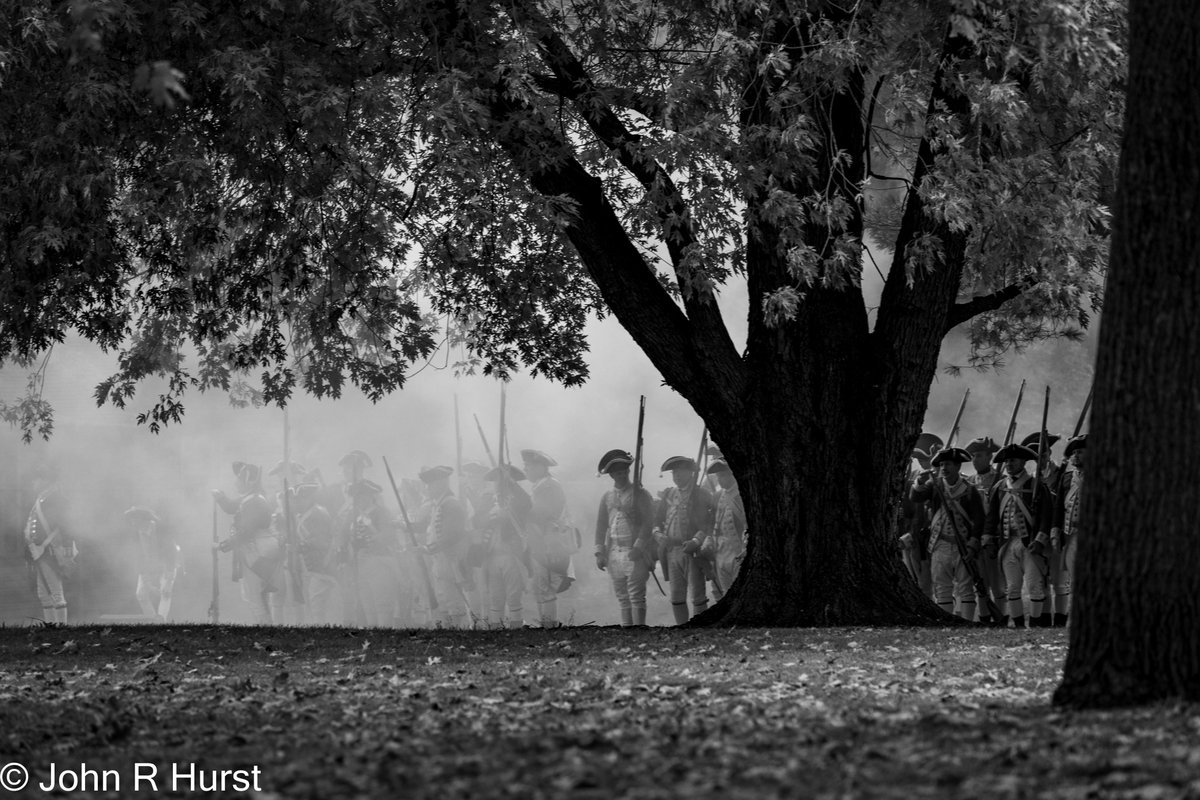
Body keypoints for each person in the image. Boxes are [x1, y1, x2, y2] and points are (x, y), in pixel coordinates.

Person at [910, 447, 985, 619]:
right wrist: (919, 483)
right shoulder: (935, 485)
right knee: (942, 588)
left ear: (958, 467)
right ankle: (947, 624)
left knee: (966, 588)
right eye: (942, 464)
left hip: (963, 545)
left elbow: (979, 519)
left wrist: (973, 543)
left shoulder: (969, 489)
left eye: (948, 464)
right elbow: (916, 497)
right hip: (940, 543)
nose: (944, 468)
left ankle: (967, 623)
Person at [983, 444, 1052, 628]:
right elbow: (991, 517)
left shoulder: (1036, 485)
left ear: (1023, 461)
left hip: (1029, 543)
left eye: (1012, 460)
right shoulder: (999, 487)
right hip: (1007, 543)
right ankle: (1019, 625)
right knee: (1012, 587)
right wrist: (988, 538)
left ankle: (1035, 624)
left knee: (1034, 586)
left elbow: (1046, 516)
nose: (1008, 464)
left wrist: (1039, 540)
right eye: (1006, 461)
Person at [214, 462, 282, 624]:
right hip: (255, 550)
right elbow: (231, 507)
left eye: (240, 479)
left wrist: (223, 545)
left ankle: (265, 632)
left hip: (255, 552)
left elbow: (246, 531)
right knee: (256, 596)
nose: (236, 482)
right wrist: (221, 498)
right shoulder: (251, 499)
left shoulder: (254, 501)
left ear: (249, 481)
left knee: (255, 596)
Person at [594, 450, 655, 627]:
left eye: (623, 472)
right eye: (617, 473)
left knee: (636, 595)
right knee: (622, 596)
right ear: (611, 475)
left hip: (634, 551)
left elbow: (648, 522)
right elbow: (601, 525)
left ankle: (639, 630)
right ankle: (627, 631)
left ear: (628, 472)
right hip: (614, 551)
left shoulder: (640, 494)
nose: (621, 475)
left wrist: (639, 546)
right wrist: (599, 552)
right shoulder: (607, 497)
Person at [653, 455, 715, 625]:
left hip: (692, 551)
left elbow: (708, 523)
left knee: (697, 595)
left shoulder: (700, 494)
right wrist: (658, 535)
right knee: (677, 595)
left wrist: (696, 541)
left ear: (690, 473)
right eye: (674, 472)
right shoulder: (669, 494)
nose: (677, 476)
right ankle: (681, 629)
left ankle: (698, 630)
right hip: (672, 552)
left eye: (681, 472)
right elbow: (657, 521)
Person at [522, 449, 576, 628]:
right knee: (540, 585)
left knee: (545, 586)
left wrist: (521, 511)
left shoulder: (549, 486)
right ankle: (545, 625)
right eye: (526, 466)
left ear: (541, 467)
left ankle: (549, 627)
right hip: (540, 541)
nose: (526, 469)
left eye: (530, 466)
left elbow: (543, 513)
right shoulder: (540, 485)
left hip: (549, 542)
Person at [339, 478, 401, 628]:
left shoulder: (381, 512)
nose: (359, 499)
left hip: (378, 562)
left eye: (362, 495)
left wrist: (370, 537)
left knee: (382, 603)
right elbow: (343, 535)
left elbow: (388, 536)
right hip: (360, 563)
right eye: (356, 496)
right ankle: (374, 636)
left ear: (371, 496)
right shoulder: (352, 515)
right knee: (367, 603)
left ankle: (384, 635)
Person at [419, 465, 472, 628]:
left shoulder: (451, 505)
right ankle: (450, 633)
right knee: (444, 599)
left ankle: (461, 633)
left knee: (454, 600)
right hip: (441, 560)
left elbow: (451, 536)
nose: (427, 488)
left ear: (441, 483)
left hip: (451, 559)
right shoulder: (439, 505)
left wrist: (429, 549)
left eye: (431, 484)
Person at [480, 464, 531, 628]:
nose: (497, 483)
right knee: (495, 596)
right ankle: (496, 629)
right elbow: (476, 520)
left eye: (500, 480)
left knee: (514, 595)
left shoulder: (517, 500)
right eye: (496, 480)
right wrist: (490, 518)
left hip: (511, 554)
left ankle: (515, 628)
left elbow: (526, 503)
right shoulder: (488, 499)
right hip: (492, 554)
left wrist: (511, 483)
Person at [24, 466, 76, 624]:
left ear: (44, 481)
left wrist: (67, 550)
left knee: (56, 592)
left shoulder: (56, 499)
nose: (34, 483)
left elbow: (66, 524)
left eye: (36, 479)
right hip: (39, 551)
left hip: (51, 550)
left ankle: (61, 627)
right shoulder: (41, 499)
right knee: (43, 593)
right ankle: (51, 627)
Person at [1049, 434, 1086, 627]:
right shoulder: (1066, 478)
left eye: (1080, 452)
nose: (1076, 456)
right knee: (1072, 578)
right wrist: (1055, 530)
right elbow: (1058, 507)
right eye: (1074, 453)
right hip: (1070, 535)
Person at [965, 436, 1004, 622]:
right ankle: (984, 617)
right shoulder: (968, 482)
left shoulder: (1002, 480)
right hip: (974, 537)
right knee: (979, 582)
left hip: (994, 539)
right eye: (973, 456)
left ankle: (1001, 617)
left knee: (997, 583)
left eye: (979, 455)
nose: (975, 460)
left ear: (990, 456)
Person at [292, 482, 341, 626]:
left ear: (309, 498)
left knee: (317, 603)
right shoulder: (308, 513)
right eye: (296, 499)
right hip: (311, 566)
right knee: (312, 603)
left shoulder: (317, 514)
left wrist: (302, 545)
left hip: (322, 564)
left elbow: (323, 541)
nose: (297, 502)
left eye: (301, 499)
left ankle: (323, 631)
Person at [124, 506, 181, 621]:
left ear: (143, 519)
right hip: (148, 566)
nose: (132, 522)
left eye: (135, 519)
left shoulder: (161, 529)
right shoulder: (135, 533)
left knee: (166, 592)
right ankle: (151, 619)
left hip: (167, 564)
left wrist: (169, 575)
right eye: (131, 520)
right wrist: (145, 578)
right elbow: (137, 556)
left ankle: (161, 620)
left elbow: (171, 551)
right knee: (141, 594)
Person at [702, 460, 746, 602]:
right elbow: (711, 520)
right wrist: (708, 538)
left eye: (724, 476)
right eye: (719, 476)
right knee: (723, 592)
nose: (720, 480)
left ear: (732, 475)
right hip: (720, 550)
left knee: (739, 593)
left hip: (737, 550)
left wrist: (746, 547)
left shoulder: (742, 495)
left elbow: (748, 524)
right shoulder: (717, 496)